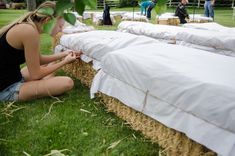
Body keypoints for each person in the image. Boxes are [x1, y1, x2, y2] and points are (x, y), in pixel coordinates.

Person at [0, 1, 81, 102]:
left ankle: (43, 82)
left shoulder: (28, 27)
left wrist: (63, 55)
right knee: (67, 82)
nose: (60, 30)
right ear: (48, 20)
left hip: (13, 76)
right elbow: (36, 75)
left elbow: (39, 60)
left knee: (47, 67)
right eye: (60, 26)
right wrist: (64, 62)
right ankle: (41, 83)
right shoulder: (29, 32)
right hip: (5, 89)